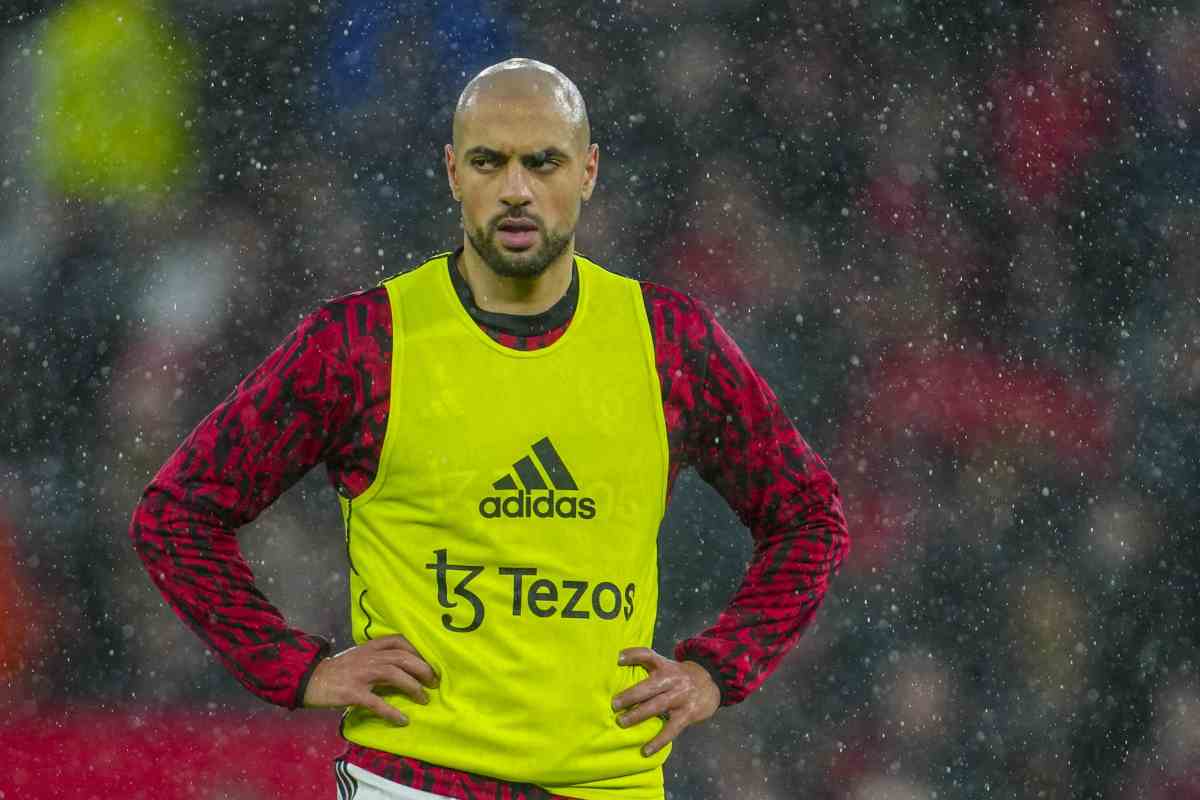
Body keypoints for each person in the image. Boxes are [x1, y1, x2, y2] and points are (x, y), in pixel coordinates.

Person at [130, 58, 850, 800]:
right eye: (488, 162)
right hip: (417, 780)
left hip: (610, 782)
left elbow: (809, 517)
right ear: (452, 172)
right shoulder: (362, 343)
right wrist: (298, 669)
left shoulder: (669, 342)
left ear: (588, 172)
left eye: (543, 162)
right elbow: (177, 514)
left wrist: (716, 671)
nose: (515, 189)